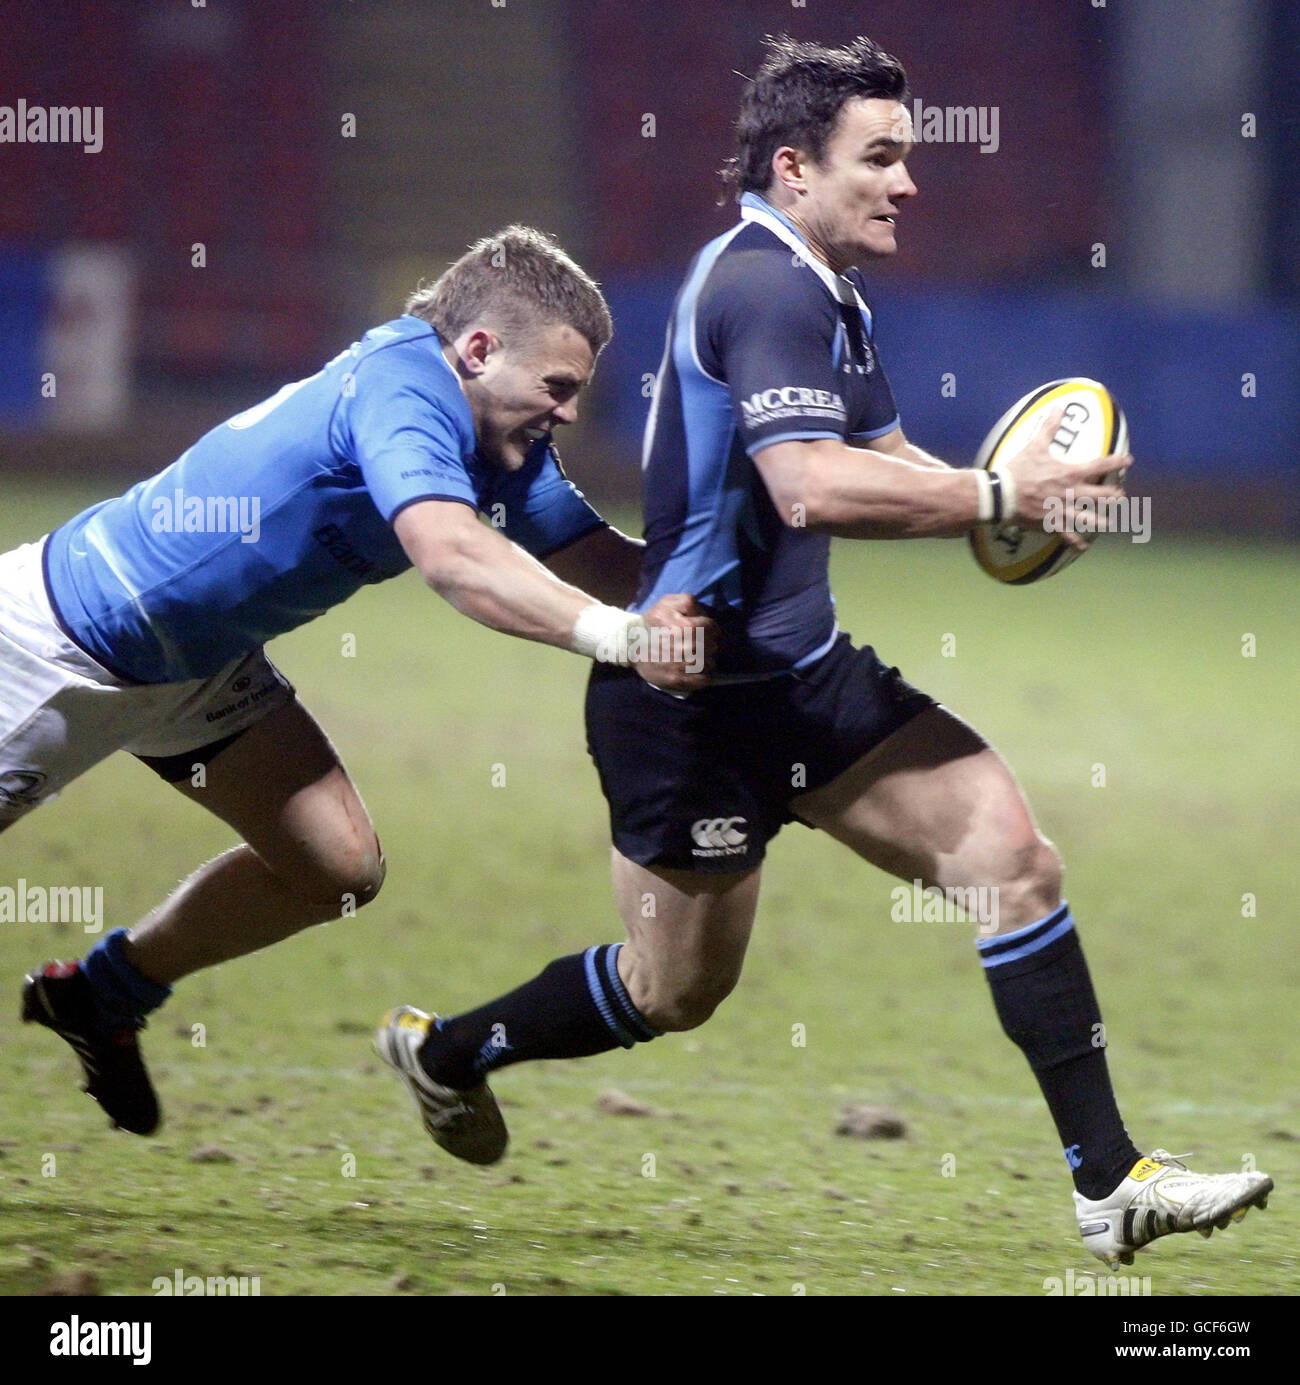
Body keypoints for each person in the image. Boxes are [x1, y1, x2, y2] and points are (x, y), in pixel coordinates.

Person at [376, 39, 1272, 1272]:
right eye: (882, 159)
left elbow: (887, 460)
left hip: (805, 680)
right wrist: (997, 488)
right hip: (681, 698)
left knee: (1012, 861)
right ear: (794, 169)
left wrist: (1018, 502)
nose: (907, 184)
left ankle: (1109, 1184)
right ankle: (447, 1050)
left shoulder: (825, 293)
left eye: (907, 158)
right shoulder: (762, 286)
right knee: (670, 989)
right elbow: (805, 487)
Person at [6, 224, 710, 1139]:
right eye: (558, 388)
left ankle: (101, 995)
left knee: (334, 868)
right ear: (480, 350)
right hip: (61, 643)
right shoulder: (403, 384)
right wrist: (623, 641)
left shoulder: (501, 447)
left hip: (195, 665)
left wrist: (742, 583)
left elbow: (610, 567)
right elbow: (455, 558)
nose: (568, 413)